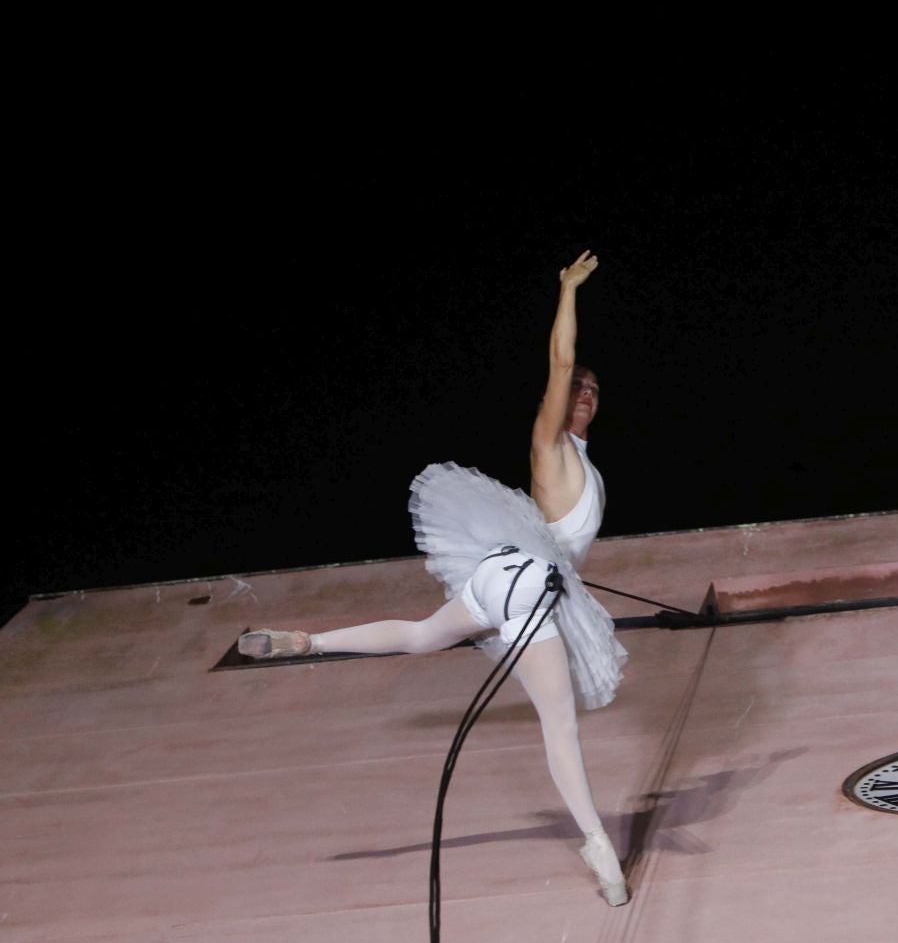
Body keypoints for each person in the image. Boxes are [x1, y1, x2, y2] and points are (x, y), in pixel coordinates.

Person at [240, 251, 632, 903]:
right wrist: (567, 291)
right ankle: (599, 850)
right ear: (554, 403)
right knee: (558, 727)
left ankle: (309, 642)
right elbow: (561, 362)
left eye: (594, 390)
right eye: (576, 389)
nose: (584, 395)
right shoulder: (550, 444)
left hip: (501, 578)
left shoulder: (585, 465)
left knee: (425, 637)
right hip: (526, 585)